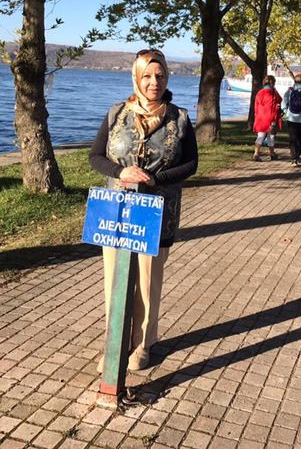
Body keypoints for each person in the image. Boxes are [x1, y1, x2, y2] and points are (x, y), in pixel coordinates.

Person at [89, 49, 198, 373]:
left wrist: (155, 178)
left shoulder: (179, 117)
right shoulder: (116, 113)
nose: (154, 82)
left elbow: (191, 163)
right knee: (115, 279)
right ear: (136, 77)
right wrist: (120, 172)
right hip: (116, 212)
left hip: (157, 212)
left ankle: (143, 343)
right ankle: (116, 342)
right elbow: (95, 157)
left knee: (148, 281)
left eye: (160, 75)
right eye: (147, 76)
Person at [252, 75, 282, 161]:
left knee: (260, 136)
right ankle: (272, 153)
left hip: (260, 117)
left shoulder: (259, 93)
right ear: (272, 83)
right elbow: (280, 100)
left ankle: (256, 153)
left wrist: (256, 115)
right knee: (271, 136)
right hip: (271, 118)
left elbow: (256, 107)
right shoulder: (273, 93)